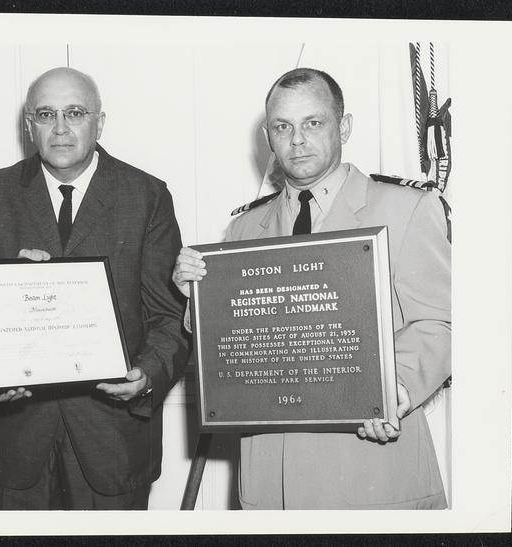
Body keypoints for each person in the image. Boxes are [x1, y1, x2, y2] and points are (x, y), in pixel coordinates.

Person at [173, 68, 450, 509]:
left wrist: (391, 390)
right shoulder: (243, 228)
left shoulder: (407, 207)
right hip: (271, 478)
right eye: (283, 126)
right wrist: (196, 299)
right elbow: (229, 346)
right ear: (269, 136)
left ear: (344, 126)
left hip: (370, 463)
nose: (297, 139)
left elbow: (439, 321)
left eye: (313, 123)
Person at [0, 67, 189, 510]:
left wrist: (147, 376)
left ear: (99, 122)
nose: (60, 129)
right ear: (29, 126)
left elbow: (169, 314)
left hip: (112, 440)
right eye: (46, 114)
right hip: (17, 438)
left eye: (75, 113)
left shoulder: (146, 195)